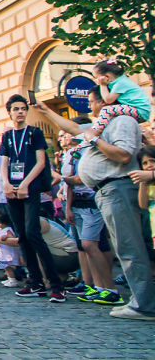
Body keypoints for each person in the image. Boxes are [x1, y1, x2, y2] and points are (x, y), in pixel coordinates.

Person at [35, 89, 155, 319]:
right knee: (124, 248)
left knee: (130, 248)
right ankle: (140, 300)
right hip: (107, 191)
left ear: (104, 101)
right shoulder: (104, 124)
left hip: (117, 188)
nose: (89, 108)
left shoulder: (121, 121)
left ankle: (144, 304)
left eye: (91, 102)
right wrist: (45, 110)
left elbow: (123, 156)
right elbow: (74, 128)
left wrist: (95, 140)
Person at [0, 93, 64, 303]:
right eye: (16, 109)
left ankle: (55, 285)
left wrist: (26, 184)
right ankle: (34, 281)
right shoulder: (8, 136)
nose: (20, 112)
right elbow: (4, 162)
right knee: (22, 235)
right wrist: (6, 183)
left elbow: (41, 162)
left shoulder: (34, 133)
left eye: (23, 109)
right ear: (9, 112)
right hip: (12, 190)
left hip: (30, 189)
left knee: (33, 232)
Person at [60, 122, 120, 304]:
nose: (75, 142)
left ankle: (110, 288)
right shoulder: (74, 154)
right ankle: (99, 287)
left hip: (92, 202)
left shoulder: (93, 152)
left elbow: (81, 178)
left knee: (90, 244)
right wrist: (69, 206)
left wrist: (62, 179)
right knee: (85, 246)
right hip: (77, 202)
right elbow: (71, 183)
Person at [85, 60, 150, 141]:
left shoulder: (120, 83)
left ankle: (96, 131)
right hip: (136, 110)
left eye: (97, 78)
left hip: (139, 110)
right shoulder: (119, 82)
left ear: (107, 77)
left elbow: (108, 99)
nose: (97, 81)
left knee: (107, 110)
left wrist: (102, 85)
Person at [0, 209, 22, 287]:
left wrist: (5, 237)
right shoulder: (0, 229)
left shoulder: (7, 230)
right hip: (3, 252)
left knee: (8, 267)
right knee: (6, 267)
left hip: (8, 253)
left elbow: (11, 237)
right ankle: (10, 279)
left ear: (0, 222)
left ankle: (13, 280)